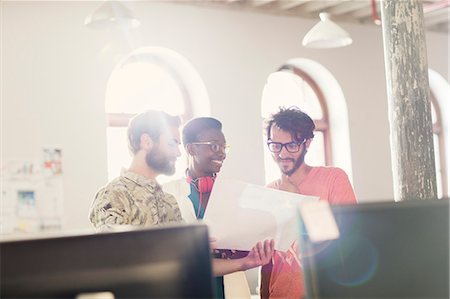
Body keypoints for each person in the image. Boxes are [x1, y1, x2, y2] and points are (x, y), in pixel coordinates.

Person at [163, 117, 275, 298]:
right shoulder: (168, 194)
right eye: (214, 146)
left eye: (224, 147)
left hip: (230, 286)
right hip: (188, 288)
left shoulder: (235, 192)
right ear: (191, 148)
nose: (222, 153)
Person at [260, 107, 357, 299]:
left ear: (308, 143)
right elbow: (268, 263)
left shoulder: (334, 178)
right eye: (276, 145)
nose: (282, 153)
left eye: (292, 145)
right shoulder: (267, 192)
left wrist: (297, 200)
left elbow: (348, 242)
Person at [89, 110, 183, 231]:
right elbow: (112, 248)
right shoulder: (114, 195)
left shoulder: (169, 202)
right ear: (147, 142)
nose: (178, 153)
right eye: (172, 143)